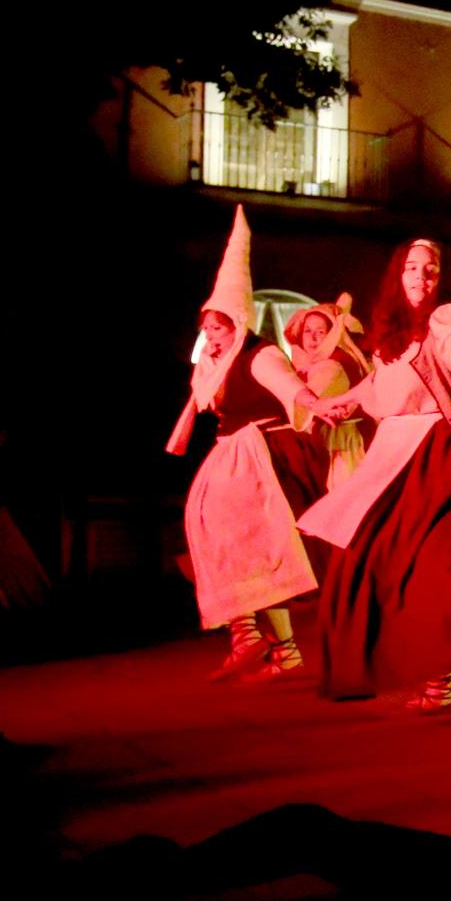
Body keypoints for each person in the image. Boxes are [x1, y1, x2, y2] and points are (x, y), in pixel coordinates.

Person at [300, 240, 451, 712]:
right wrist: (345, 400)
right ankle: (440, 681)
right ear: (397, 276)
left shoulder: (446, 316)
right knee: (375, 562)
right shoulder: (392, 332)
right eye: (412, 268)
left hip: (445, 450)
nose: (421, 277)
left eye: (431, 269)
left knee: (443, 563)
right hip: (397, 453)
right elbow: (382, 382)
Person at [165, 207, 325, 682]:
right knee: (230, 548)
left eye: (220, 328)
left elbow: (290, 387)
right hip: (232, 458)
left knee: (248, 549)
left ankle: (255, 638)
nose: (212, 337)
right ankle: (272, 645)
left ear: (239, 323)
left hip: (260, 460)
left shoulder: (260, 355)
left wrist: (317, 402)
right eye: (208, 329)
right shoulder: (216, 362)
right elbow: (203, 399)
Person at [284, 293, 371, 492]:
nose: (313, 337)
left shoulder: (331, 366)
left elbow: (304, 405)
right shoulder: (313, 364)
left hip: (341, 444)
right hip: (327, 439)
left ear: (333, 334)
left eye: (320, 331)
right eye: (307, 331)